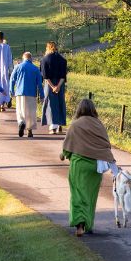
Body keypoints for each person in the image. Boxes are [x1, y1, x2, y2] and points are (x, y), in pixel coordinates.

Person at [62, 98, 117, 237]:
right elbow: (106, 144)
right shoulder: (99, 125)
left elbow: (67, 147)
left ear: (79, 109)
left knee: (77, 194)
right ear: (93, 110)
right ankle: (89, 224)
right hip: (94, 168)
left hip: (79, 165)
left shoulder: (75, 125)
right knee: (90, 196)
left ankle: (79, 224)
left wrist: (63, 155)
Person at [9, 52, 43, 139]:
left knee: (20, 110)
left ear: (23, 58)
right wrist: (42, 95)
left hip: (20, 92)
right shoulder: (35, 69)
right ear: (31, 58)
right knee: (31, 112)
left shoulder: (18, 67)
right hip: (31, 93)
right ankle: (29, 130)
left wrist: (11, 90)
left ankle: (21, 122)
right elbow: (39, 83)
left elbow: (12, 79)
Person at [39, 41, 68, 134]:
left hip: (49, 84)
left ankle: (53, 126)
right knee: (60, 102)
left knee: (50, 104)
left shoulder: (44, 59)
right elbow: (63, 75)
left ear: (48, 48)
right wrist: (58, 86)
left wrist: (53, 87)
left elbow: (45, 76)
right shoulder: (62, 60)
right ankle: (60, 124)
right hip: (60, 83)